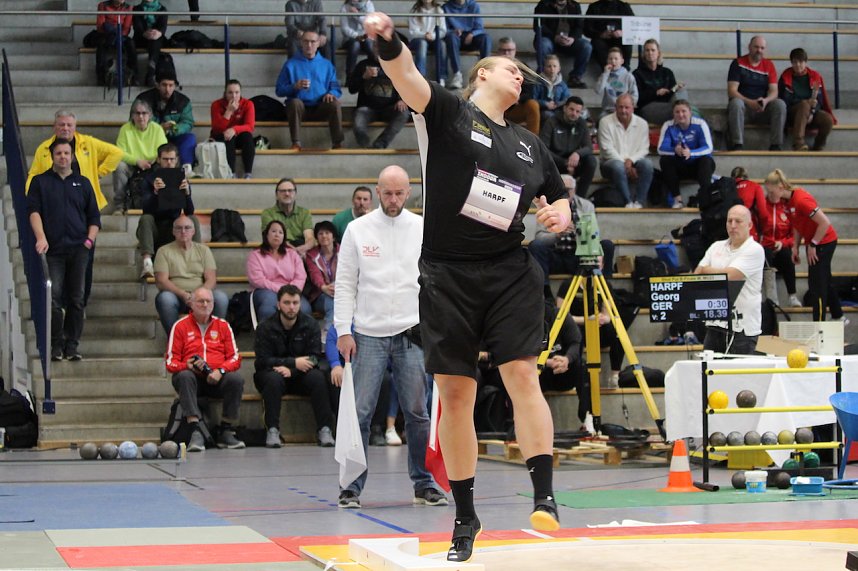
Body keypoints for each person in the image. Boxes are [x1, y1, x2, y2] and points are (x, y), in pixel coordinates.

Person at [363, 12, 571, 560]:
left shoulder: (529, 144)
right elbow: (406, 75)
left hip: (508, 271)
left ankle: (545, 497)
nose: (519, 75)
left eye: (523, 72)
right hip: (447, 274)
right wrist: (387, 39)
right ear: (482, 74)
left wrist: (560, 215)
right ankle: (465, 517)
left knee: (521, 372)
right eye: (509, 68)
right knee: (456, 393)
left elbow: (558, 195)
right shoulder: (448, 114)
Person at [334, 165, 447, 511]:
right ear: (377, 192)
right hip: (368, 333)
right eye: (387, 193)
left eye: (399, 193)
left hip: (412, 331)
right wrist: (343, 329)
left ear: (408, 192)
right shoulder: (357, 230)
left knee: (417, 411)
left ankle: (424, 483)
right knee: (360, 411)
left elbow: (436, 279)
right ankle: (350, 486)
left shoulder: (423, 228)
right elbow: (345, 283)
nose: (393, 199)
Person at [27, 139, 101, 362]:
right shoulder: (40, 182)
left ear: (73, 156)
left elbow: (94, 217)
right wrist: (41, 237)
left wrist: (89, 241)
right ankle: (56, 344)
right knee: (54, 298)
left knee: (77, 299)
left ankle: (72, 345)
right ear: (52, 156)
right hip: (54, 250)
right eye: (58, 153)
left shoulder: (84, 183)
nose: (62, 157)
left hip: (79, 249)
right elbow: (33, 212)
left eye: (66, 153)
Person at [254, 284, 337, 448]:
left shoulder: (311, 324)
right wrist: (293, 363)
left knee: (318, 377)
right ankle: (272, 430)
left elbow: (315, 358)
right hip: (273, 374)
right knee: (272, 379)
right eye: (287, 303)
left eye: (295, 303)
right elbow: (262, 361)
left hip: (300, 375)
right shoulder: (265, 327)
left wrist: (292, 371)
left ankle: (325, 429)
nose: (291, 307)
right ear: (278, 305)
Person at [165, 286, 245, 452]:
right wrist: (186, 365)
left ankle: (226, 429)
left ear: (214, 304)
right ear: (191, 304)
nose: (205, 304)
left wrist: (220, 371)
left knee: (236, 379)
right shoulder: (180, 326)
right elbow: (170, 362)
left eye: (208, 301)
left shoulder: (223, 326)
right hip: (191, 380)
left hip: (216, 378)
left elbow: (235, 358)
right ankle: (195, 430)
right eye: (200, 301)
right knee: (184, 376)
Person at [764, 169, 842, 322]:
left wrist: (813, 244)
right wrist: (795, 246)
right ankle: (839, 316)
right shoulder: (786, 202)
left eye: (771, 192)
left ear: (781, 187)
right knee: (823, 279)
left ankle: (819, 324)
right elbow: (797, 224)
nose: (769, 196)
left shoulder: (801, 200)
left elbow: (825, 223)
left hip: (824, 241)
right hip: (813, 241)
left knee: (817, 285)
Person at [529, 174, 614, 299]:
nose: (566, 193)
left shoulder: (586, 205)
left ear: (574, 190)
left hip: (578, 255)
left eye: (568, 189)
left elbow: (593, 234)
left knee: (607, 245)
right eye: (562, 189)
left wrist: (578, 230)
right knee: (535, 246)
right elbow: (539, 237)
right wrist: (557, 234)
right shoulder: (548, 205)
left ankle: (604, 287)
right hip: (556, 254)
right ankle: (545, 293)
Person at [694, 205, 765, 354]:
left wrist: (707, 270)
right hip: (715, 323)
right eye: (729, 221)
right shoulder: (716, 246)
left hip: (743, 328)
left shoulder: (755, 249)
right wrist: (710, 272)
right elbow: (697, 275)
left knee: (738, 369)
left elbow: (730, 277)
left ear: (749, 225)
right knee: (708, 368)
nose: (732, 225)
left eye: (738, 221)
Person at [28, 110, 123, 213]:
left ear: (75, 127)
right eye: (62, 125)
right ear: (54, 127)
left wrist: (99, 173)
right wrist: (30, 196)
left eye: (69, 125)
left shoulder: (89, 143)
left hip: (84, 200)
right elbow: (33, 174)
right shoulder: (43, 148)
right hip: (53, 202)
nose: (65, 128)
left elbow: (116, 153)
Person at [153, 214, 228, 334]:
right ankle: (175, 340)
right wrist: (183, 294)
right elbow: (162, 281)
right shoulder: (163, 251)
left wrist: (198, 295)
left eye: (187, 228)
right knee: (165, 299)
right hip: (177, 297)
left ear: (193, 231)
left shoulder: (204, 250)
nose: (183, 231)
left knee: (221, 298)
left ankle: (212, 338)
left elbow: (211, 279)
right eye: (179, 228)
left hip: (200, 296)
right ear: (173, 231)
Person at [136, 142, 198, 279]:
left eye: (172, 159)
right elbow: (146, 209)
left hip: (175, 225)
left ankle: (197, 260)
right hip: (155, 226)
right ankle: (147, 263)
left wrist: (187, 194)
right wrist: (155, 193)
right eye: (165, 159)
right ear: (159, 160)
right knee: (146, 218)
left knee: (193, 220)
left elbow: (190, 211)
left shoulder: (182, 179)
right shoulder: (148, 179)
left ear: (177, 160)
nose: (169, 163)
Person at [275, 30, 344, 151]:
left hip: (320, 107)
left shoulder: (327, 65)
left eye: (313, 42)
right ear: (301, 43)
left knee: (335, 104)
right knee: (294, 103)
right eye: (306, 41)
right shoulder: (290, 64)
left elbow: (336, 89)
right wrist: (294, 86)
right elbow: (279, 90)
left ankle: (337, 143)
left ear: (318, 44)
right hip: (300, 109)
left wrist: (331, 93)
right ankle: (296, 143)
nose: (309, 45)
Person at [727, 35, 787, 151]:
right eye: (756, 47)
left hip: (762, 109)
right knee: (736, 103)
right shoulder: (738, 63)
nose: (759, 50)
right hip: (744, 109)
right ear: (749, 47)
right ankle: (737, 144)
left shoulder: (769, 65)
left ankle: (776, 145)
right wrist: (750, 102)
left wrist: (766, 101)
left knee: (780, 104)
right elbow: (732, 91)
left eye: (762, 48)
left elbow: (774, 91)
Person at [246, 220, 311, 321]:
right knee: (268, 308)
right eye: (273, 231)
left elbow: (301, 276)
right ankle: (267, 331)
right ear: (266, 235)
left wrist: (290, 290)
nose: (277, 235)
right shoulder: (255, 255)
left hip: (291, 290)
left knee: (305, 309)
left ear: (284, 237)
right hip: (265, 290)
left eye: (280, 232)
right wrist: (281, 289)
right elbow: (257, 280)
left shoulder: (292, 254)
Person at [656, 99, 715, 209]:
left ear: (690, 112)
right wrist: (675, 150)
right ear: (673, 114)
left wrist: (691, 153)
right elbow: (660, 149)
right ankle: (677, 200)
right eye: (677, 112)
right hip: (680, 167)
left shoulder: (700, 124)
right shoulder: (668, 125)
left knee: (706, 160)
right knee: (665, 160)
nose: (681, 115)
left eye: (684, 111)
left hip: (697, 166)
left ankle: (705, 199)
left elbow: (708, 148)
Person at [137, 71, 197, 176]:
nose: (167, 89)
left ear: (175, 86)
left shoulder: (183, 101)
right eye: (164, 85)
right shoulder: (143, 100)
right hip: (150, 137)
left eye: (171, 85)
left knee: (189, 138)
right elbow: (136, 121)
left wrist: (175, 128)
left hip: (173, 136)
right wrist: (159, 129)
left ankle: (186, 168)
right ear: (157, 85)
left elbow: (188, 122)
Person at [113, 98, 168, 213]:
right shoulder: (125, 129)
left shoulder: (157, 129)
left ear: (150, 115)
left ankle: (164, 203)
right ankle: (120, 206)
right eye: (137, 113)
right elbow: (119, 152)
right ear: (132, 115)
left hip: (152, 164)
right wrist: (137, 161)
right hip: (132, 165)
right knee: (119, 166)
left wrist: (152, 160)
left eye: (144, 113)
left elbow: (163, 150)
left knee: (165, 165)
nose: (141, 117)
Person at [598, 93, 652, 208]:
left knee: (647, 165)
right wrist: (626, 164)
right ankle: (627, 202)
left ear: (633, 107)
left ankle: (639, 202)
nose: (623, 111)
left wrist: (631, 161)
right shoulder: (605, 122)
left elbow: (644, 149)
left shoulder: (642, 124)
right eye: (620, 107)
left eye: (627, 107)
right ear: (615, 107)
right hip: (610, 163)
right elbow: (607, 149)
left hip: (634, 162)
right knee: (618, 166)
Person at [347, 51, 410, 149]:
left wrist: (403, 100)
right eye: (376, 46)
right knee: (358, 119)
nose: (379, 50)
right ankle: (365, 147)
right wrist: (363, 77)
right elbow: (351, 89)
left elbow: (410, 86)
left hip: (390, 108)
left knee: (404, 113)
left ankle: (380, 144)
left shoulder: (398, 65)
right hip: (367, 108)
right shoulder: (363, 64)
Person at [778, 47, 836, 152]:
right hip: (792, 113)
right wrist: (806, 105)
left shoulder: (815, 77)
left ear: (805, 62)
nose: (798, 65)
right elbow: (783, 100)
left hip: (812, 112)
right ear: (791, 63)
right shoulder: (785, 77)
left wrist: (811, 112)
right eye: (795, 62)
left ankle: (818, 146)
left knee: (827, 120)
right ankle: (798, 143)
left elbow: (820, 100)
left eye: (800, 62)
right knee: (804, 105)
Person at [539, 96, 596, 197]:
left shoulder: (582, 123)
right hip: (555, 163)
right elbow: (543, 149)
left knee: (591, 161)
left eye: (578, 112)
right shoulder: (551, 121)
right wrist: (565, 162)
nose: (574, 113)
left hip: (573, 164)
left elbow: (589, 147)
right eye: (571, 109)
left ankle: (579, 197)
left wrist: (577, 153)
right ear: (565, 108)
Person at [533, 0, 592, 89]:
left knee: (586, 46)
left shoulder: (575, 5)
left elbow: (579, 26)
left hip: (569, 40)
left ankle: (575, 77)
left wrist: (572, 38)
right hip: (550, 39)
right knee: (544, 44)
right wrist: (555, 37)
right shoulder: (544, 4)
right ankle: (543, 76)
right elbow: (538, 27)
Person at [634, 38, 689, 125]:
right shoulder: (637, 74)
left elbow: (671, 94)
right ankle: (687, 115)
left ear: (658, 53)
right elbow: (637, 98)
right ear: (644, 54)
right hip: (648, 107)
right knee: (680, 112)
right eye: (647, 50)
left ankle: (684, 113)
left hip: (668, 104)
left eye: (653, 50)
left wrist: (675, 89)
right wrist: (656, 93)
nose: (650, 53)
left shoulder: (667, 72)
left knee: (682, 92)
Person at [210, 79, 256, 178]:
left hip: (239, 135)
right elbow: (217, 128)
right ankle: (231, 173)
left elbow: (250, 126)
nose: (234, 96)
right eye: (230, 93)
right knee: (228, 138)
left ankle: (248, 173)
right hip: (222, 135)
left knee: (248, 137)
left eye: (237, 92)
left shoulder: (248, 104)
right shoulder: (216, 105)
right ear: (225, 93)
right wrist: (229, 112)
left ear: (240, 93)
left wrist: (234, 130)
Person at [260, 178, 316, 257]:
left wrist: (303, 248)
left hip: (301, 251)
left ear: (295, 194)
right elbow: (272, 238)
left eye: (290, 190)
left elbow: (310, 238)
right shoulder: (268, 213)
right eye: (283, 191)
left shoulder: (304, 213)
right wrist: (293, 252)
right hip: (278, 250)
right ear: (276, 195)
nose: (287, 194)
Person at [443, 0, 491, 90]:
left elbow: (480, 27)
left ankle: (484, 73)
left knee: (486, 38)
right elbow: (443, 29)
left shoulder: (474, 5)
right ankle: (457, 75)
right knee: (451, 37)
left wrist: (472, 34)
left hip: (472, 36)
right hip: (455, 38)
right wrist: (453, 31)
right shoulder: (446, 7)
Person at [497, 38, 540, 135]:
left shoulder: (523, 68)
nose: (506, 53)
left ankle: (533, 140)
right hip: (497, 106)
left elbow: (530, 92)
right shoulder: (490, 68)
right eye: (503, 50)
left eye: (509, 50)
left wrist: (518, 98)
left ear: (515, 51)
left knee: (533, 104)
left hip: (514, 107)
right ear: (498, 51)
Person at [305, 221, 339, 335]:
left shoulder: (344, 251)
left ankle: (328, 333)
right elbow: (314, 274)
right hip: (320, 294)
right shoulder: (311, 255)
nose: (324, 236)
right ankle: (329, 332)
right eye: (320, 233)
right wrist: (324, 287)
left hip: (341, 291)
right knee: (332, 299)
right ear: (317, 238)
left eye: (327, 233)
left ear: (333, 236)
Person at [94, 0, 137, 86]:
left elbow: (126, 28)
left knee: (131, 43)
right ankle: (101, 75)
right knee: (101, 43)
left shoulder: (128, 8)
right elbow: (100, 25)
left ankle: (134, 75)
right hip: (106, 34)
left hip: (121, 35)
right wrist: (112, 32)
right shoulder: (103, 5)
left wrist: (117, 35)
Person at [584, 0, 633, 70]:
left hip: (619, 38)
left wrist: (623, 32)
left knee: (627, 42)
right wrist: (601, 34)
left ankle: (625, 69)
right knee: (597, 43)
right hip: (601, 39)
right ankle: (607, 69)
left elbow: (633, 25)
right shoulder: (594, 7)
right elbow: (586, 29)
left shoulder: (624, 6)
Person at [408, 0, 446, 83]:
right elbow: (413, 32)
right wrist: (424, 35)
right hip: (418, 39)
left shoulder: (439, 10)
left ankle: (441, 77)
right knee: (423, 43)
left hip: (433, 38)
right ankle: (421, 78)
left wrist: (433, 36)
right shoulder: (415, 11)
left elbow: (443, 31)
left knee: (442, 44)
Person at [594, 47, 638, 120]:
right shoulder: (604, 76)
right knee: (601, 120)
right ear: (607, 61)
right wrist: (605, 74)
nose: (613, 61)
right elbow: (597, 90)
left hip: (624, 110)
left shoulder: (628, 76)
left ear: (622, 61)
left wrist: (628, 107)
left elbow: (634, 95)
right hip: (608, 111)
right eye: (610, 59)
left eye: (616, 59)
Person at [132, 0, 167, 87]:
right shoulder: (137, 8)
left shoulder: (162, 9)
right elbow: (137, 26)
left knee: (155, 42)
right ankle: (134, 75)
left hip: (156, 37)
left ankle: (151, 73)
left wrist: (158, 33)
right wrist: (144, 33)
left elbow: (163, 27)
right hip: (141, 37)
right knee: (130, 43)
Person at [340, 0, 375, 79]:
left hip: (366, 37)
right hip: (350, 38)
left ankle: (372, 73)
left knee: (370, 45)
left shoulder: (368, 5)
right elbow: (344, 28)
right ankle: (350, 76)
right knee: (355, 45)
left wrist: (357, 15)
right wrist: (356, 36)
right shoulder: (345, 7)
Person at [532, 55, 570, 121]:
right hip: (542, 110)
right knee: (549, 115)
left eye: (555, 66)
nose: (552, 69)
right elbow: (533, 99)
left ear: (559, 68)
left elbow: (566, 98)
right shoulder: (538, 82)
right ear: (544, 68)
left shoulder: (562, 84)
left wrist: (557, 104)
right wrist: (545, 103)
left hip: (558, 109)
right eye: (549, 66)